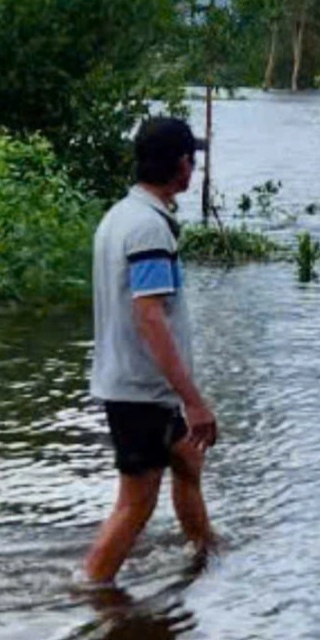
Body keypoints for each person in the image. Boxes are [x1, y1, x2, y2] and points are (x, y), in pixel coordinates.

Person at [82, 116, 216, 585]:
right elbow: (150, 316)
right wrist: (194, 400)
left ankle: (205, 550)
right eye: (191, 160)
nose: (194, 168)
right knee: (136, 504)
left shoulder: (122, 215)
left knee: (188, 459)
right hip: (141, 390)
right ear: (181, 164)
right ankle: (93, 589)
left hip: (136, 385)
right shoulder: (148, 229)